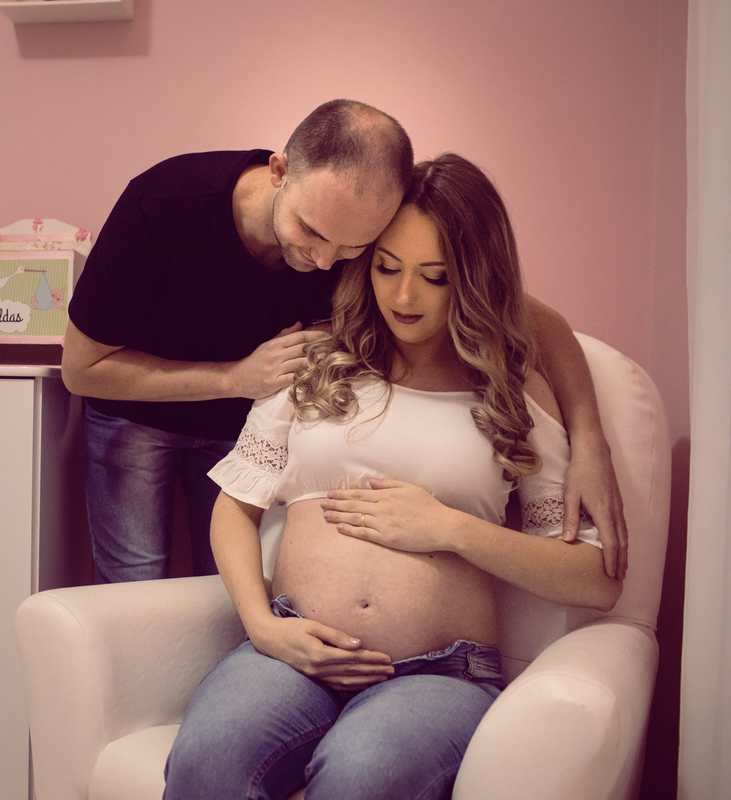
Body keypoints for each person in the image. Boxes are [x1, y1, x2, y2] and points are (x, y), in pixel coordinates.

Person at [161, 153, 623, 800]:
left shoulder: (511, 393)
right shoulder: (317, 363)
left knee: (361, 774)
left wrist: (451, 529)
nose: (404, 297)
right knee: (207, 760)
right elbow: (235, 507)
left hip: (438, 675)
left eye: (435, 277)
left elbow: (596, 581)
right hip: (293, 648)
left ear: (472, 278)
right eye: (387, 268)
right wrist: (264, 625)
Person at [63, 100, 627, 584]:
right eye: (310, 232)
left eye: (353, 248)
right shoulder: (164, 203)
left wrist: (589, 440)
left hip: (240, 417)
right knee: (133, 581)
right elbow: (82, 369)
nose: (324, 260)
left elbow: (529, 318)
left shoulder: (365, 232)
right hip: (138, 409)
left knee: (217, 597)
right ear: (279, 170)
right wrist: (233, 377)